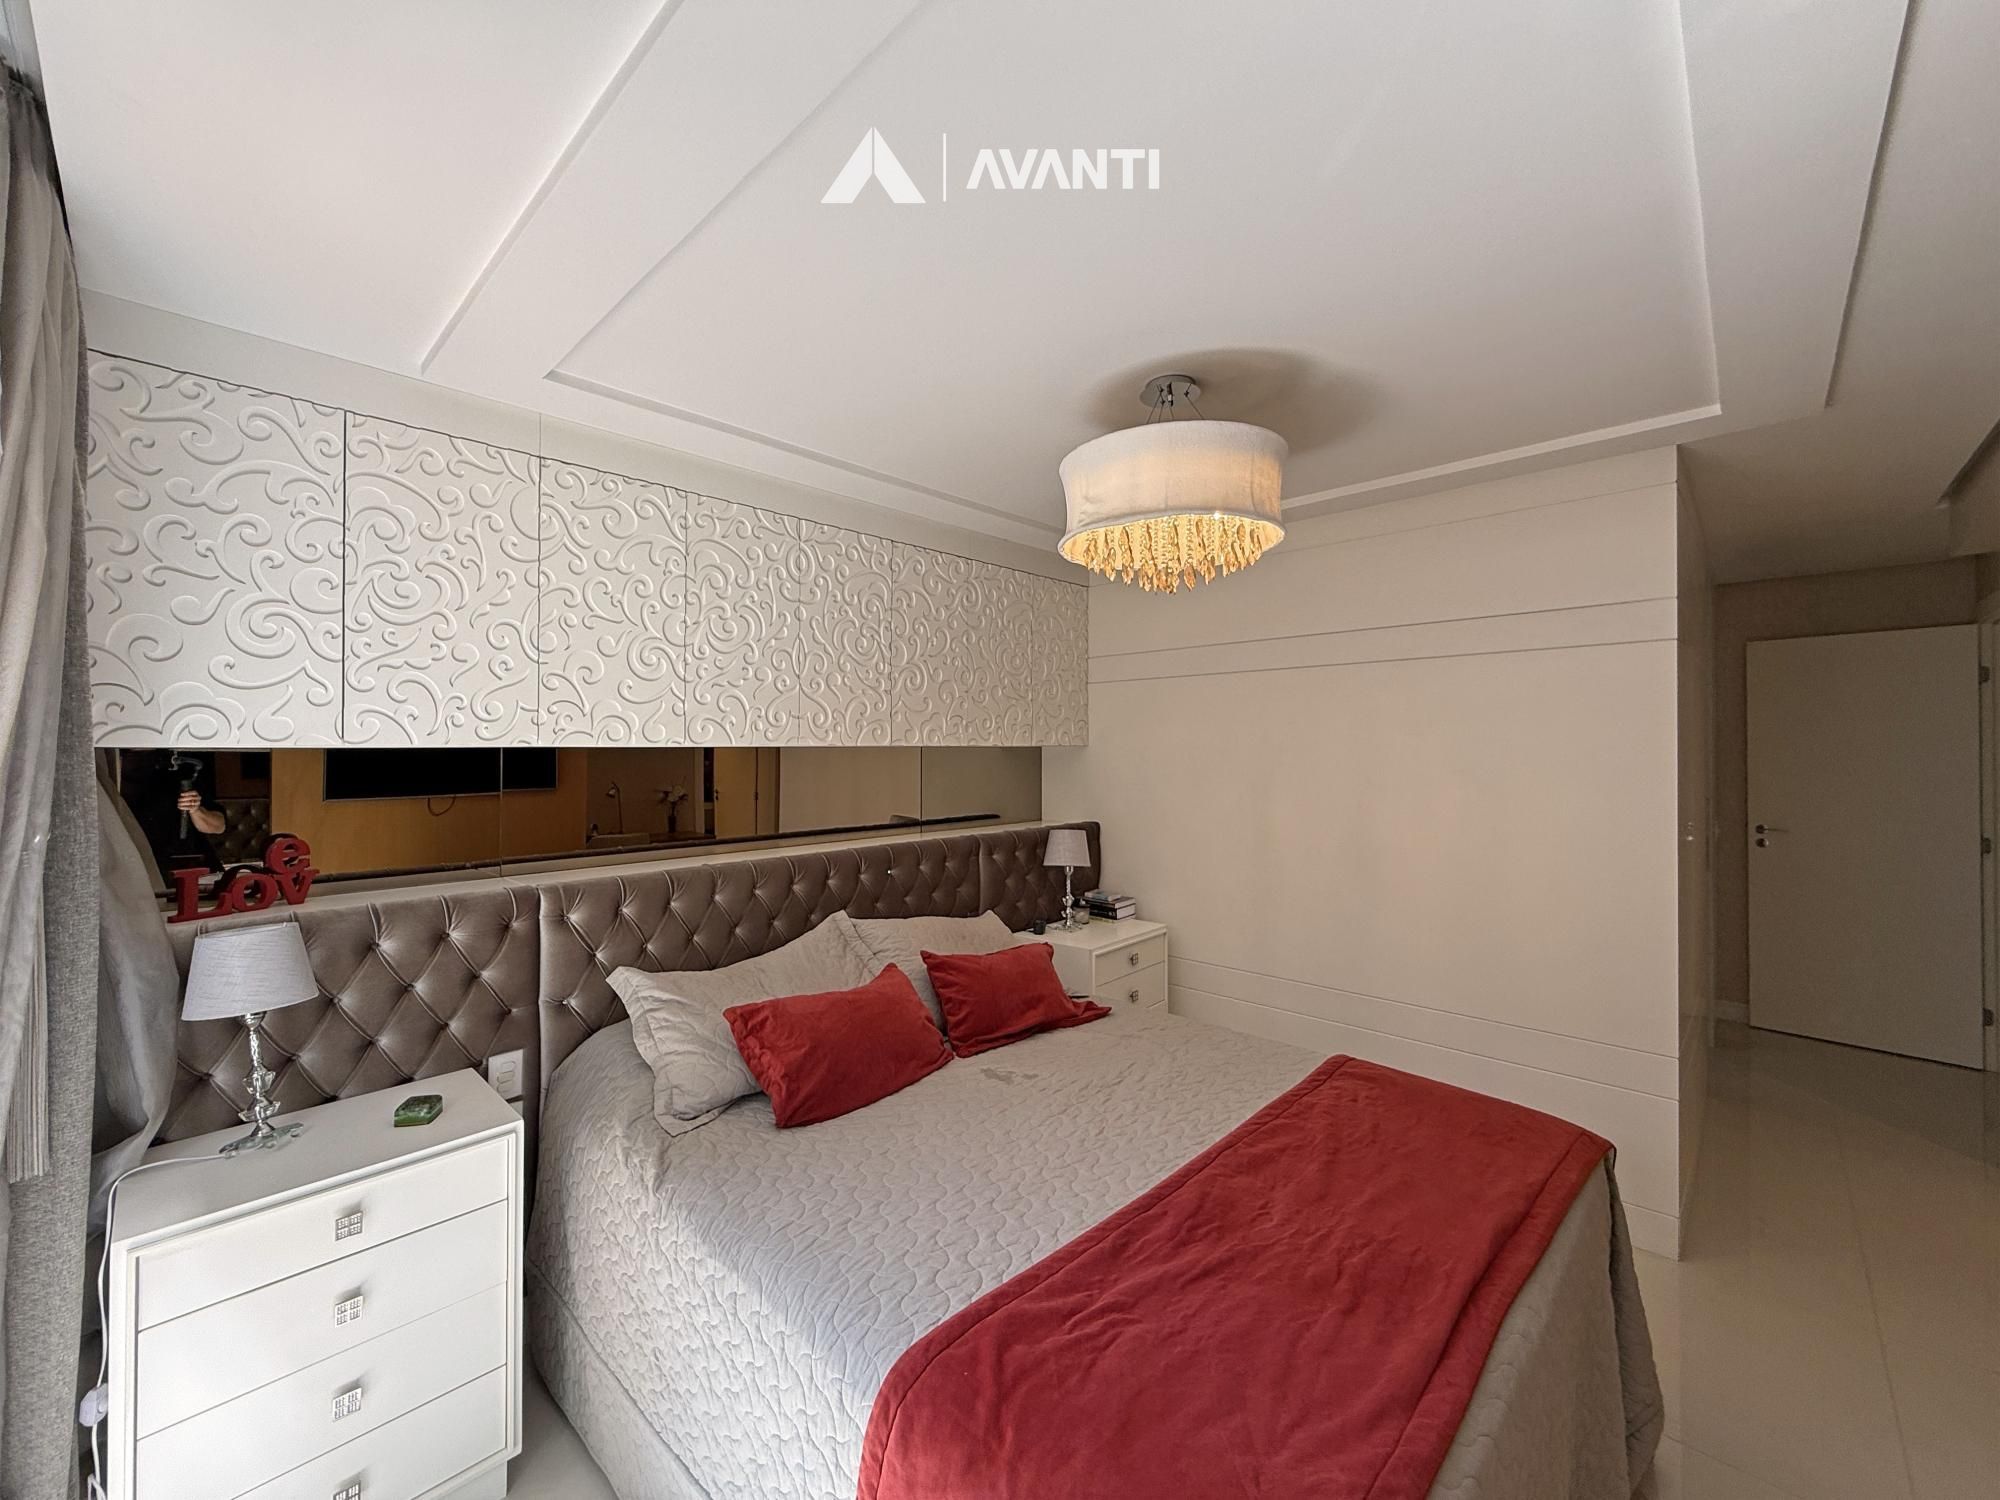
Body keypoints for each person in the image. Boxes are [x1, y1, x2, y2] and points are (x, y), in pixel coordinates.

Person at [123, 750, 225, 879]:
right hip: (140, 866)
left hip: (188, 864)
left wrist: (195, 809)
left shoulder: (179, 775)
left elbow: (219, 826)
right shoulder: (111, 782)